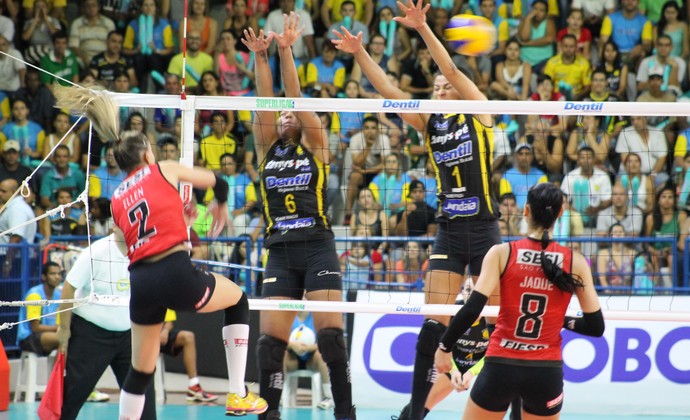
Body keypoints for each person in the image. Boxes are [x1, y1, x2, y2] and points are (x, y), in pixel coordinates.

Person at [53, 84, 267, 418]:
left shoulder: (118, 198)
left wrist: (177, 220)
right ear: (147, 154)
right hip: (174, 273)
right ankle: (238, 393)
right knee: (239, 300)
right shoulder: (163, 169)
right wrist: (220, 207)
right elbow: (219, 183)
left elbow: (130, 246)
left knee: (140, 373)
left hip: (141, 284)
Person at [333, 1, 500, 417]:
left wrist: (425, 29)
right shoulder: (431, 124)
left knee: (497, 323)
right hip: (448, 230)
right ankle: (414, 413)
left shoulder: (480, 115)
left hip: (484, 231)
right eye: (437, 88)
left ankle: (505, 399)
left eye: (446, 87)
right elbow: (390, 92)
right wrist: (360, 54)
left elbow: (455, 71)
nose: (441, 90)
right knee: (431, 330)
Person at [243, 14, 355, 420]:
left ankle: (345, 411)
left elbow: (296, 98)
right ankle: (268, 413)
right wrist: (261, 58)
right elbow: (267, 101)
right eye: (283, 114)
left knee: (330, 338)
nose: (287, 115)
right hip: (280, 251)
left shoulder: (316, 142)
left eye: (292, 113)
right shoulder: (266, 148)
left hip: (317, 246)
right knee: (270, 343)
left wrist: (286, 50)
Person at [434, 183, 605, 419]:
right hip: (545, 373)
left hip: (500, 367)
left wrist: (445, 347)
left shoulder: (502, 253)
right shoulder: (575, 261)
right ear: (560, 213)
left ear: (526, 211)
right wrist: (560, 321)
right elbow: (596, 327)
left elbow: (473, 308)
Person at [57, 230, 157, 420]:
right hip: (90, 334)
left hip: (130, 335)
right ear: (115, 225)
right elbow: (69, 286)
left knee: (143, 396)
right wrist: (64, 329)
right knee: (71, 398)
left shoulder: (146, 249)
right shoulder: (97, 252)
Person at [160, 310, 217, 402]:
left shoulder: (162, 296)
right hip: (142, 335)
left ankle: (193, 386)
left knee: (188, 337)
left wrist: (165, 331)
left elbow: (169, 321)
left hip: (160, 336)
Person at [284, 311, 334, 410]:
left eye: (305, 295)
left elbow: (326, 341)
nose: (303, 296)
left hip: (311, 359)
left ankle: (328, 397)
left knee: (321, 355)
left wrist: (312, 347)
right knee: (280, 354)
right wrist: (292, 345)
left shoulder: (317, 315)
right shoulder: (288, 315)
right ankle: (279, 396)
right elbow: (279, 340)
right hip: (292, 358)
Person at [16, 262, 62, 356]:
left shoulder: (59, 295)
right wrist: (60, 328)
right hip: (28, 337)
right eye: (53, 274)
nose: (57, 277)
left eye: (59, 274)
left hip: (48, 334)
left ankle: (59, 370)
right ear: (44, 277)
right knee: (63, 339)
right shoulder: (35, 295)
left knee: (73, 340)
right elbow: (35, 328)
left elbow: (59, 322)